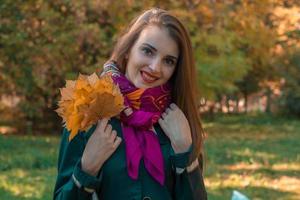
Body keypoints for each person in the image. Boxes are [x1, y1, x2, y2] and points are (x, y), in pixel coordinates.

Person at [53, 8, 207, 200]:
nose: (155, 67)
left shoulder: (178, 121)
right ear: (128, 51)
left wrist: (185, 151)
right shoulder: (87, 111)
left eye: (168, 61)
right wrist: (87, 169)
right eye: (147, 51)